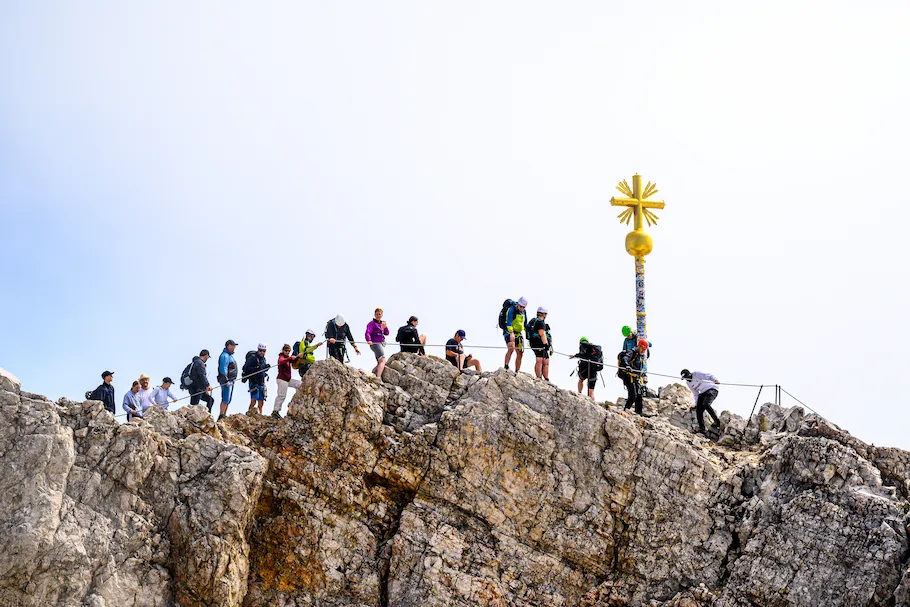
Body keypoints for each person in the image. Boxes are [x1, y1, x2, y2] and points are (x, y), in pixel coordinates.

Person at [681, 369, 722, 434]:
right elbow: (695, 393)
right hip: (703, 392)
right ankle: (702, 429)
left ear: (689, 374)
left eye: (687, 377)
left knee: (706, 404)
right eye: (685, 378)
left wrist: (715, 380)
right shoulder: (688, 383)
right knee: (698, 410)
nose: (687, 379)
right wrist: (697, 404)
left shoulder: (697, 374)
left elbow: (708, 376)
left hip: (712, 389)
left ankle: (717, 421)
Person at [618, 340, 648, 415]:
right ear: (639, 346)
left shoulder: (640, 356)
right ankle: (625, 411)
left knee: (639, 396)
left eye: (645, 350)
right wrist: (626, 365)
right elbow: (625, 358)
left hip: (636, 377)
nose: (643, 351)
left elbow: (639, 367)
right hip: (628, 376)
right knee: (633, 395)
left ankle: (639, 414)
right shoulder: (632, 352)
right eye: (643, 349)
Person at [272, 344, 301, 419]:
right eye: (286, 351)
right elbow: (281, 362)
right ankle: (275, 411)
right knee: (281, 395)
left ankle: (298, 399)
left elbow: (293, 360)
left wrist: (297, 356)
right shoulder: (281, 357)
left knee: (299, 384)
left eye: (289, 351)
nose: (287, 352)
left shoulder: (287, 358)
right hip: (282, 379)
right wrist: (290, 358)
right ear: (283, 351)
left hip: (287, 379)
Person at [243, 343, 271, 414]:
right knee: (253, 400)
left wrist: (266, 368)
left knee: (261, 402)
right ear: (258, 350)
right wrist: (256, 369)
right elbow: (245, 368)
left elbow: (262, 369)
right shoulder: (253, 358)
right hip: (253, 381)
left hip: (261, 382)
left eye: (264, 351)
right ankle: (248, 414)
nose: (262, 352)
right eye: (260, 350)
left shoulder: (263, 359)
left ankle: (260, 416)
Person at [503, 297, 528, 372]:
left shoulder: (524, 311)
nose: (522, 308)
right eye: (520, 306)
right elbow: (509, 322)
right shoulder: (512, 309)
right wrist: (511, 333)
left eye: (523, 307)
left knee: (520, 353)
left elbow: (525, 324)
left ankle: (517, 371)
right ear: (518, 304)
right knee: (511, 348)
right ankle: (506, 366)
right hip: (509, 332)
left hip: (518, 333)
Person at [527, 307, 552, 381]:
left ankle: (543, 378)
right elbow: (542, 334)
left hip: (533, 343)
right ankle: (540, 377)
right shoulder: (540, 322)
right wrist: (546, 344)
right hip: (539, 343)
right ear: (544, 315)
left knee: (545, 360)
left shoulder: (533, 321)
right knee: (540, 360)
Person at [365, 308, 391, 378]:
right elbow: (368, 332)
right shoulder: (371, 323)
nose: (378, 315)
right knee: (383, 359)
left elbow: (387, 333)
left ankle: (371, 374)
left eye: (379, 314)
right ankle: (378, 377)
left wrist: (385, 327)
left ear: (382, 315)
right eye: (377, 314)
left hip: (380, 343)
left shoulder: (382, 323)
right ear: (374, 314)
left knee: (379, 362)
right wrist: (368, 340)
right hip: (375, 343)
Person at [217, 339, 239, 421]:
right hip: (227, 381)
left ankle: (224, 414)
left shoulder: (230, 356)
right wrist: (226, 380)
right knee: (225, 398)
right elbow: (223, 368)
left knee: (228, 399)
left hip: (231, 380)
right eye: (233, 346)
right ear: (229, 346)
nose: (234, 348)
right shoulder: (225, 355)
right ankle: (221, 415)